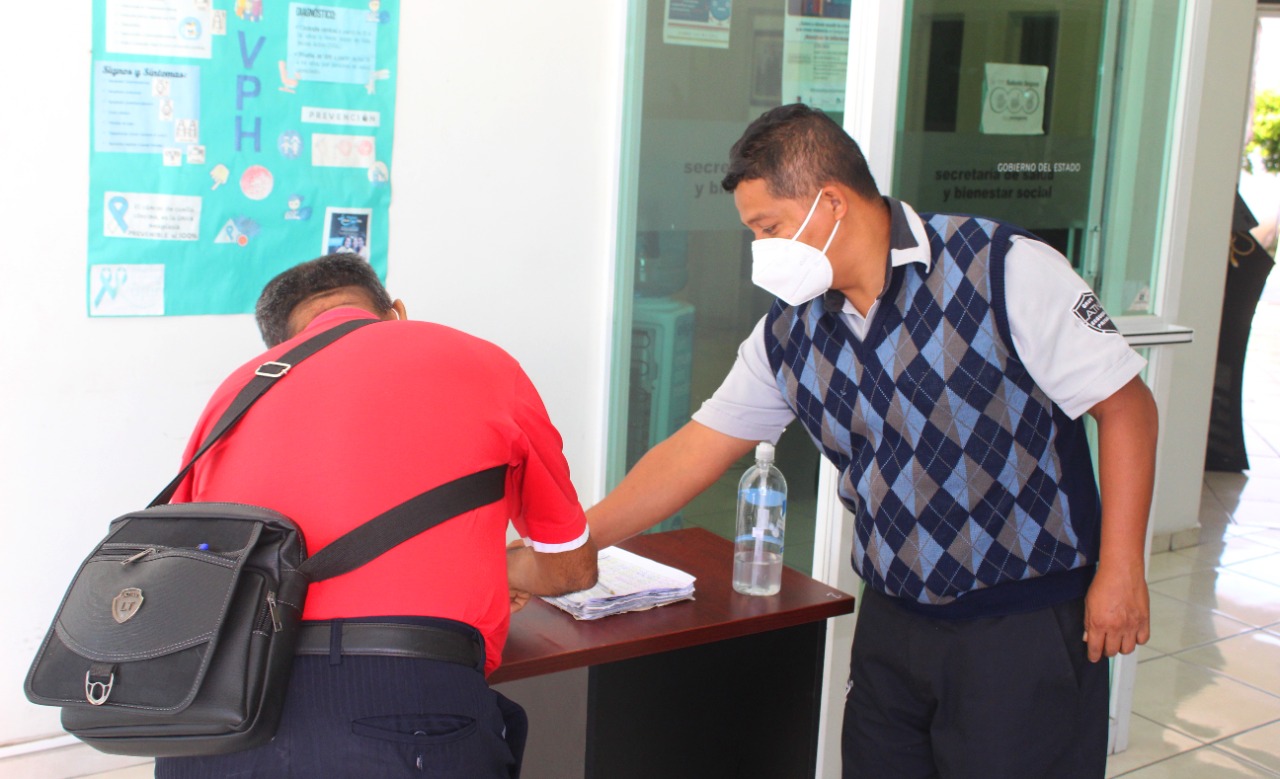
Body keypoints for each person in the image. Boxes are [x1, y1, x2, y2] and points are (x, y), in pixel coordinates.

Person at [582, 104, 1157, 777]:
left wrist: (1122, 568)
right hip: (895, 623)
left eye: (769, 228)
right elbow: (694, 449)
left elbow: (1127, 408)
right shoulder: (789, 332)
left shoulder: (999, 267)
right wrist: (574, 541)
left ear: (830, 203)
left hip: (1021, 622)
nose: (761, 251)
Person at [156, 253, 597, 778]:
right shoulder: (480, 360)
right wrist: (504, 570)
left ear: (280, 347)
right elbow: (571, 569)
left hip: (221, 712)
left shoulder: (234, 394)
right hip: (403, 700)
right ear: (398, 313)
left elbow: (196, 574)